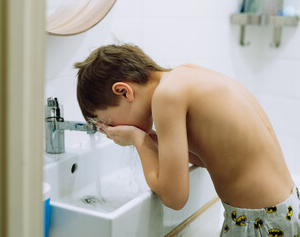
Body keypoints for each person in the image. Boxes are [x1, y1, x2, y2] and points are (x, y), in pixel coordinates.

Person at [74, 43, 299, 236]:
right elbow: (207, 158)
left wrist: (138, 139)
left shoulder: (166, 96)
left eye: (107, 121)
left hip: (259, 222)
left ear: (124, 92)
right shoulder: (184, 75)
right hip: (283, 209)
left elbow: (174, 198)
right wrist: (155, 142)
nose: (112, 129)